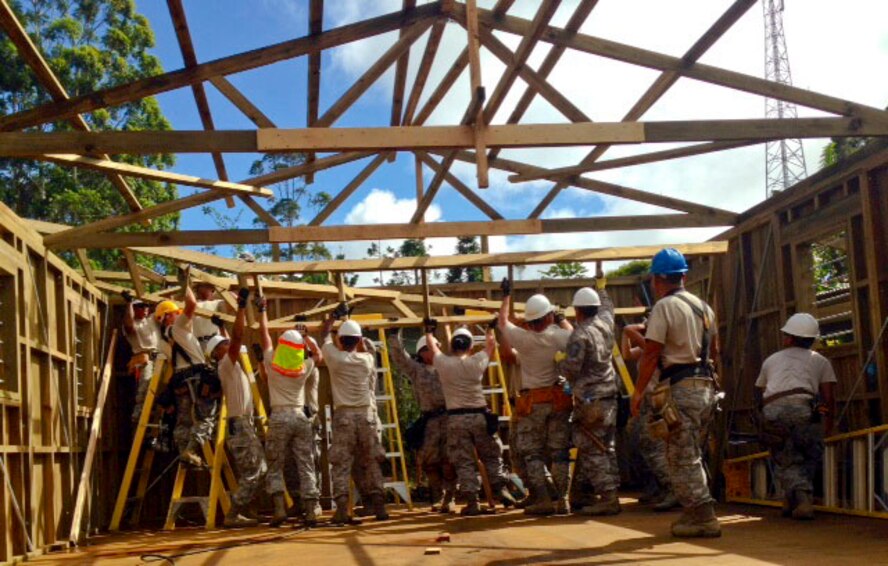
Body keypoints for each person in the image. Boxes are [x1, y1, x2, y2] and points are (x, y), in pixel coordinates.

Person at [631, 248, 721, 538]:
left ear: (658, 279)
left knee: (682, 455)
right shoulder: (704, 307)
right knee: (693, 451)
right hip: (706, 386)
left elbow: (651, 351)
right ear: (682, 275)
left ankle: (702, 517)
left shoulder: (664, 307)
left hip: (681, 387)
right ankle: (696, 511)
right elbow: (715, 352)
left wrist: (637, 392)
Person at [498, 280, 573, 515]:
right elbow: (574, 334)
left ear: (530, 321)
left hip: (533, 404)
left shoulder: (524, 339)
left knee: (533, 454)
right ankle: (563, 500)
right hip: (557, 400)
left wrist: (507, 296)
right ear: (548, 316)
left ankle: (542, 499)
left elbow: (502, 323)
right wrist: (560, 317)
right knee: (559, 453)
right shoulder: (558, 337)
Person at [427, 321, 516, 516]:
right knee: (492, 455)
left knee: (464, 461)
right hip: (479, 416)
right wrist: (490, 328)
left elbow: (433, 348)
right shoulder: (476, 361)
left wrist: (429, 331)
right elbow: (491, 345)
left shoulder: (443, 363)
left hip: (456, 419)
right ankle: (501, 489)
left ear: (452, 346)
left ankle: (472, 502)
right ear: (469, 346)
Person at [755, 312, 835, 520]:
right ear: (812, 340)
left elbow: (760, 392)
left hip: (773, 408)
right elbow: (827, 398)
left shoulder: (771, 359)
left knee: (785, 455)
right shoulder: (821, 361)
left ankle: (793, 500)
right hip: (804, 408)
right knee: (809, 450)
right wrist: (826, 423)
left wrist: (764, 420)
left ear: (789, 338)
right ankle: (801, 500)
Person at [557, 278, 621, 516]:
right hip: (610, 397)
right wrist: (602, 288)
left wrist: (558, 362)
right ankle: (599, 491)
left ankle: (608, 497)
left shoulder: (579, 335)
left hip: (590, 399)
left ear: (577, 310)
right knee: (606, 446)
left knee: (591, 447)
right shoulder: (605, 323)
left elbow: (571, 369)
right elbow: (608, 308)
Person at [204, 288, 268, 528]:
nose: (230, 343)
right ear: (220, 351)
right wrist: (241, 307)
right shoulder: (226, 364)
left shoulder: (228, 364)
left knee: (251, 471)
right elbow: (238, 338)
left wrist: (220, 327)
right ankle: (233, 514)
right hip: (240, 425)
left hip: (242, 425)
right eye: (225, 343)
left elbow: (229, 340)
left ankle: (242, 512)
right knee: (257, 471)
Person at [257, 297, 323, 527]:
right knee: (305, 463)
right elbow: (318, 355)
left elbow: (264, 335)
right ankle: (311, 510)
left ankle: (279, 510)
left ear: (282, 346)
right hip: (300, 417)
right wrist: (306, 338)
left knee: (275, 464)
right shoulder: (304, 367)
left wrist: (263, 310)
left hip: (279, 417)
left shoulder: (272, 363)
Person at [321, 304, 389, 525]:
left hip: (345, 417)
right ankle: (379, 505)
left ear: (340, 340)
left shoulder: (335, 358)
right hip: (366, 416)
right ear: (359, 340)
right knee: (371, 461)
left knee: (341, 463)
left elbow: (324, 335)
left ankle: (342, 509)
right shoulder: (367, 360)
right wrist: (349, 323)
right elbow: (362, 347)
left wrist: (334, 319)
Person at [155, 272, 221, 468]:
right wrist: (185, 285)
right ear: (169, 316)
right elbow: (191, 305)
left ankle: (184, 455)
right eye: (176, 312)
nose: (180, 313)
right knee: (206, 417)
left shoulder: (162, 341)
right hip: (196, 376)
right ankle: (191, 451)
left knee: (183, 421)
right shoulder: (179, 326)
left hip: (180, 381)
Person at [388, 328, 456, 513]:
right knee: (429, 461)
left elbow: (457, 348)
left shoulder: (447, 365)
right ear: (422, 352)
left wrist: (454, 323)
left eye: (436, 346)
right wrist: (394, 335)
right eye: (430, 347)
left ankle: (450, 497)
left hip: (450, 418)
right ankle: (439, 495)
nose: (435, 349)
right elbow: (400, 358)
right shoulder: (417, 370)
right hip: (431, 421)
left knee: (450, 460)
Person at [622, 319, 678, 511]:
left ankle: (671, 488)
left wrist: (639, 326)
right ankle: (659, 487)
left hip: (658, 400)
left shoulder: (657, 347)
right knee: (639, 442)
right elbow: (627, 353)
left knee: (651, 445)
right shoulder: (647, 347)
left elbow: (629, 329)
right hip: (648, 400)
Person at [121, 291, 159, 424]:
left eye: (147, 306)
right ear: (134, 308)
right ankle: (138, 416)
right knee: (145, 386)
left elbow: (165, 309)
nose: (145, 309)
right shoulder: (132, 323)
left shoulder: (151, 320)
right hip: (144, 360)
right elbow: (128, 325)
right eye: (141, 306)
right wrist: (129, 303)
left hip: (159, 359)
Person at [192, 281, 227, 352]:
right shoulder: (194, 304)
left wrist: (220, 289)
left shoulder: (217, 303)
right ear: (198, 289)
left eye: (209, 287)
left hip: (214, 342)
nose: (206, 289)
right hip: (197, 343)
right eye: (204, 286)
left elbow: (235, 302)